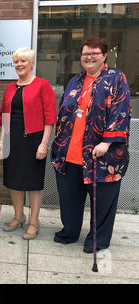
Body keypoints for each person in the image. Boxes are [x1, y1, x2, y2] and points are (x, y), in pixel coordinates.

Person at [51, 37, 131, 253]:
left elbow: (121, 110)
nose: (89, 57)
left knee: (102, 203)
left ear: (104, 56)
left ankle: (98, 240)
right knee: (69, 199)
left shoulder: (116, 78)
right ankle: (69, 232)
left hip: (102, 156)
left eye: (95, 53)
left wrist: (107, 141)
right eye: (86, 53)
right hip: (69, 154)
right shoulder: (74, 81)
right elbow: (64, 112)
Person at [0, 47, 57, 240]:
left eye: (23, 61)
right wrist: (0, 141)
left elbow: (50, 117)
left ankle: (34, 221)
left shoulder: (42, 85)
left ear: (31, 63)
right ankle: (18, 216)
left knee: (33, 183)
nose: (19, 65)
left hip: (33, 140)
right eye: (16, 61)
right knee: (13, 181)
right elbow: (4, 116)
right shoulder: (10, 88)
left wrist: (43, 143)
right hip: (12, 139)